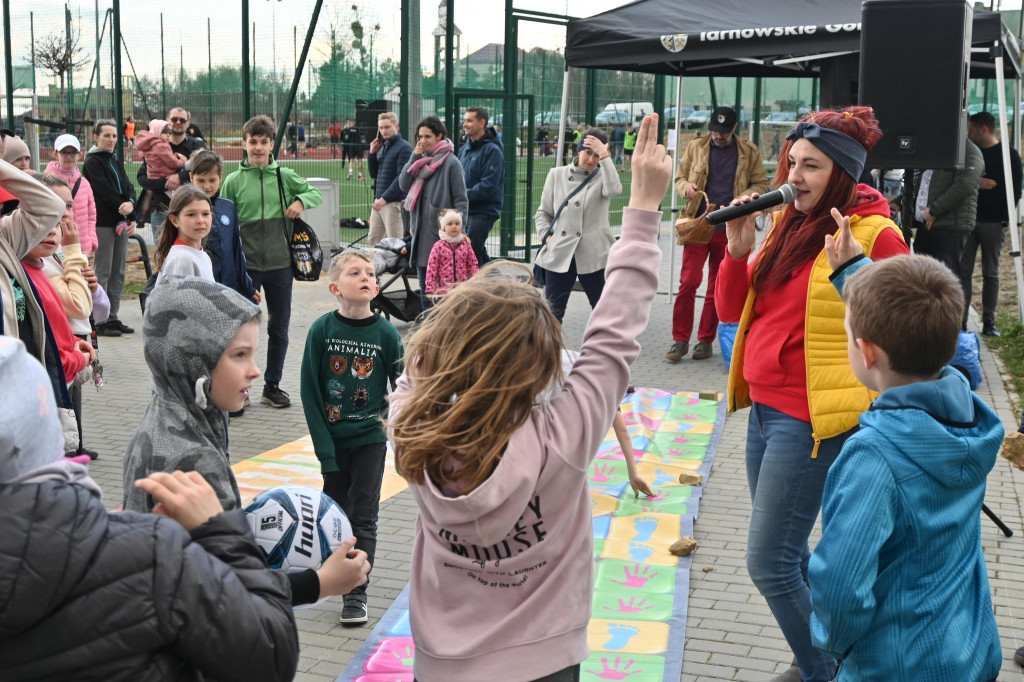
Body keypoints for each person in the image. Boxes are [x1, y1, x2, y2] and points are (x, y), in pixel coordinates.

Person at [389, 113, 671, 681]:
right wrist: (642, 209)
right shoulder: (565, 434)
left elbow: (418, 365)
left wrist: (456, 331)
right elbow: (614, 336)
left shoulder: (410, 426)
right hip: (545, 658)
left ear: (444, 351)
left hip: (440, 661)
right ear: (538, 363)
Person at [715, 107, 909, 682]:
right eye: (791, 162)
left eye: (811, 167)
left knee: (768, 564)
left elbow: (904, 336)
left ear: (843, 175)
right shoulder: (788, 225)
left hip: (814, 420)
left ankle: (827, 670)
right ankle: (817, 658)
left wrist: (856, 273)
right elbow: (731, 312)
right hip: (764, 411)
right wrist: (735, 250)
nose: (793, 177)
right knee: (791, 557)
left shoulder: (877, 234)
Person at [0, 336, 304, 682]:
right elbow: (268, 658)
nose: (255, 370)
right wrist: (222, 533)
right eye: (239, 355)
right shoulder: (153, 552)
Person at [807, 247, 1002, 682]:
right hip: (968, 651)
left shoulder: (874, 456)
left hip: (896, 665)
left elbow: (840, 588)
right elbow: (912, 322)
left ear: (865, 352)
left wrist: (840, 646)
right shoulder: (968, 417)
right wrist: (854, 275)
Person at [300, 248, 403, 625]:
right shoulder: (322, 331)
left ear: (376, 287)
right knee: (334, 517)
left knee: (364, 517)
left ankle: (356, 593)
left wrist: (390, 423)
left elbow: (404, 384)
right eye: (354, 272)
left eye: (370, 274)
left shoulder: (386, 332)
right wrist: (324, 451)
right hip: (334, 443)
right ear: (334, 287)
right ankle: (330, 577)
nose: (365, 277)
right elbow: (311, 392)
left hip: (370, 441)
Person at [220, 114, 323, 409]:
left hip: (280, 265)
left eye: (264, 142)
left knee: (279, 328)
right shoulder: (233, 181)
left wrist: (301, 202)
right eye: (253, 142)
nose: (258, 147)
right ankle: (238, 389)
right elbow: (223, 223)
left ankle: (272, 385)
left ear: (271, 144)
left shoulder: (284, 176)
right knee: (240, 330)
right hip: (246, 268)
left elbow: (313, 192)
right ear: (244, 144)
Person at [667, 106, 768, 363]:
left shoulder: (749, 151)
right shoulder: (695, 147)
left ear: (734, 128)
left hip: (729, 226)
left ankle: (705, 340)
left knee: (716, 285)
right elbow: (679, 178)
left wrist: (743, 198)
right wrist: (686, 188)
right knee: (688, 282)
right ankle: (680, 340)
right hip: (698, 224)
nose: (718, 135)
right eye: (715, 130)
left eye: (724, 132)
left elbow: (761, 184)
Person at [534, 127, 622, 322]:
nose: (591, 159)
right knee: (551, 315)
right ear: (578, 150)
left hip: (594, 254)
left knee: (604, 312)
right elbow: (543, 213)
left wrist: (606, 157)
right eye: (587, 153)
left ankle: (603, 351)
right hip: (560, 251)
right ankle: (548, 352)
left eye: (596, 155)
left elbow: (615, 189)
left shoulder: (603, 176)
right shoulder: (556, 175)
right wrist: (547, 237)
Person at [20, 175, 95, 388]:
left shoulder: (56, 250)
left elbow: (100, 308)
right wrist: (74, 252)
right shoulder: (40, 257)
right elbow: (79, 307)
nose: (64, 213)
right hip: (58, 360)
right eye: (54, 204)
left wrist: (95, 289)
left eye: (69, 205)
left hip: (73, 345)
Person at [398, 115, 469, 312]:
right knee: (425, 288)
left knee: (445, 290)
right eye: (420, 136)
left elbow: (461, 200)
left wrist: (459, 231)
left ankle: (444, 328)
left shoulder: (451, 163)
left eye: (428, 136)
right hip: (420, 236)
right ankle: (428, 329)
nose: (423, 141)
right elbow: (403, 184)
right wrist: (414, 157)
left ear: (439, 136)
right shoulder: (419, 161)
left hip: (443, 239)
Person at [963, 111, 1022, 337]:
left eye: (971, 128)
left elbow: (1015, 191)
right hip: (968, 220)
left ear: (983, 129)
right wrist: (975, 183)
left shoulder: (1009, 155)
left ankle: (989, 322)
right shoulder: (969, 154)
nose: (968, 133)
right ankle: (961, 321)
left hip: (994, 223)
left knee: (991, 272)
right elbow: (961, 180)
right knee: (964, 272)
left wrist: (1006, 221)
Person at [83, 118, 137, 337]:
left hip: (121, 223)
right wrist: (122, 206)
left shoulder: (114, 159)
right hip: (104, 223)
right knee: (103, 271)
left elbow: (128, 186)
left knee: (119, 271)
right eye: (106, 135)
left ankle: (113, 316)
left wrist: (132, 207)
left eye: (114, 136)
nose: (112, 139)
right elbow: (104, 191)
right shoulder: (93, 161)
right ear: (96, 137)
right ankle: (99, 319)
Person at [189, 149, 260, 306]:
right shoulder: (184, 209)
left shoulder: (228, 207)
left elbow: (236, 250)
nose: (206, 186)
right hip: (198, 290)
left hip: (227, 287)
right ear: (191, 178)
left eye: (212, 180)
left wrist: (246, 286)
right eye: (201, 180)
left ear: (221, 178)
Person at [906, 137, 983, 276]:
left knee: (946, 279)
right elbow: (923, 182)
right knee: (921, 276)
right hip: (927, 225)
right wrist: (901, 201)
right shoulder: (938, 148)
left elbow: (965, 185)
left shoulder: (970, 151)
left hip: (950, 227)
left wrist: (934, 210)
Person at [136, 107, 207, 242]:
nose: (178, 122)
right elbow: (142, 178)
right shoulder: (154, 146)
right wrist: (166, 183)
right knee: (164, 257)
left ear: (188, 123)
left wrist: (180, 177)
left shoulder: (196, 145)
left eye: (182, 120)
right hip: (161, 209)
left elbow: (206, 168)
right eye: (174, 119)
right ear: (168, 121)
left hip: (192, 208)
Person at [459, 106, 505, 266]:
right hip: (465, 210)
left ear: (482, 123)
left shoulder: (492, 151)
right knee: (478, 254)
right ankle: (502, 285)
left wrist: (462, 195)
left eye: (469, 120)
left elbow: (488, 186)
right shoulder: (464, 150)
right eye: (464, 120)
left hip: (483, 212)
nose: (465, 124)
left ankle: (475, 290)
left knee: (470, 255)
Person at [45, 133, 98, 256]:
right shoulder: (47, 181)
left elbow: (91, 215)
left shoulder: (84, 183)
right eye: (64, 152)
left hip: (83, 246)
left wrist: (92, 240)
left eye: (73, 152)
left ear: (79, 155)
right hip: (57, 247)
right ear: (55, 154)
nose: (69, 156)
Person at [367, 112, 413, 246]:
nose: (383, 131)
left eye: (387, 127)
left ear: (396, 126)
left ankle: (398, 267)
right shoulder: (383, 147)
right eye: (381, 128)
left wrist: (385, 198)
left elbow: (402, 178)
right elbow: (374, 174)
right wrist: (372, 154)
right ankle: (372, 267)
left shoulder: (404, 148)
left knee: (396, 242)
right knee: (373, 241)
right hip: (380, 201)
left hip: (393, 203)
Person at [153, 185, 215, 282]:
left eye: (205, 214)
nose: (200, 220)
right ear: (174, 220)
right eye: (191, 214)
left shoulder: (203, 255)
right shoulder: (182, 259)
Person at [425, 208, 478, 298]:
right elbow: (432, 269)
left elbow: (473, 265)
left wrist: (475, 283)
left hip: (462, 291)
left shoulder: (466, 245)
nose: (454, 226)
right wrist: (430, 289)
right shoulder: (438, 246)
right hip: (443, 292)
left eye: (457, 224)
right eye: (449, 224)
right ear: (443, 227)